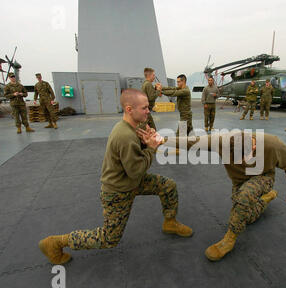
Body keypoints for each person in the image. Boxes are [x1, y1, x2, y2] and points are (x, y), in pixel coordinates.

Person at [39, 89, 193, 265]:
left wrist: (145, 142)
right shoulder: (125, 136)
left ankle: (170, 222)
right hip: (118, 190)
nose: (148, 111)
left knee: (168, 186)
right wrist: (151, 148)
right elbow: (137, 171)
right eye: (144, 108)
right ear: (129, 109)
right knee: (109, 238)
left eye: (148, 107)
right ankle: (56, 242)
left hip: (130, 181)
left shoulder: (131, 127)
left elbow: (135, 162)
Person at [149, 130, 286, 262]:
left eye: (247, 156)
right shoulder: (221, 142)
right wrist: (162, 140)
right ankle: (266, 198)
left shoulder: (271, 143)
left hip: (263, 177)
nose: (244, 161)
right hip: (239, 182)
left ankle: (229, 239)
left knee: (244, 198)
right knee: (246, 216)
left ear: (253, 146)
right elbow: (192, 142)